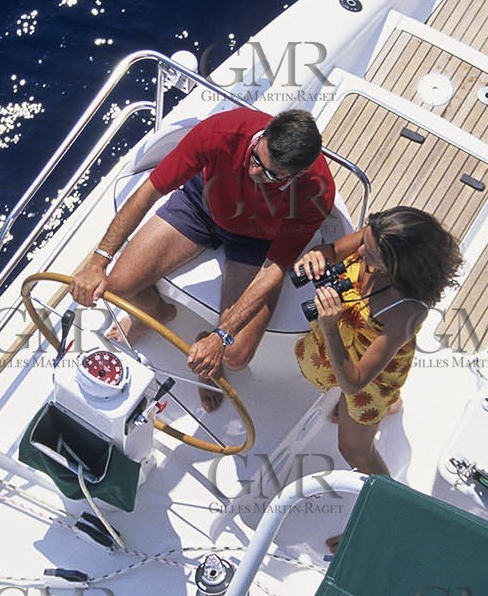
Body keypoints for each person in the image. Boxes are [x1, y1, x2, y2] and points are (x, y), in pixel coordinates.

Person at [69, 106, 335, 408]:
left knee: (235, 357)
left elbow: (273, 270)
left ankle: (206, 343)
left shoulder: (317, 192)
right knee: (115, 288)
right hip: (199, 206)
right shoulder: (224, 130)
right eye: (256, 157)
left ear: (298, 174)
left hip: (257, 243)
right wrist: (98, 261)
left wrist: (221, 336)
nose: (254, 171)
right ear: (266, 132)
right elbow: (149, 191)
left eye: (271, 174)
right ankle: (157, 313)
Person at [294, 207, 462, 501]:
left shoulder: (408, 309)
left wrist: (330, 326)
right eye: (364, 242)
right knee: (353, 409)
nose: (359, 250)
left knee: (354, 449)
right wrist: (317, 255)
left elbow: (355, 383)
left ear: (399, 265)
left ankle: (389, 505)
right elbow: (332, 250)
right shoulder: (377, 236)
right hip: (341, 347)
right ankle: (390, 407)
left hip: (369, 377)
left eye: (370, 253)